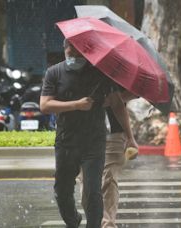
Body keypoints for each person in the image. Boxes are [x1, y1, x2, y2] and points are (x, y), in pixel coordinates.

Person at [40, 39, 135, 228]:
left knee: (93, 191)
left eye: (77, 52)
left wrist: (130, 137)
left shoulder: (100, 74)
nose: (73, 55)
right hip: (66, 140)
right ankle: (73, 220)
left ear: (86, 52)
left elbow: (117, 104)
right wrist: (76, 105)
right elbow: (45, 105)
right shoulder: (54, 72)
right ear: (64, 49)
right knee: (62, 190)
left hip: (94, 140)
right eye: (69, 50)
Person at [79, 90, 138, 228]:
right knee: (87, 181)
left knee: (108, 179)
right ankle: (96, 221)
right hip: (83, 133)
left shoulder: (115, 73)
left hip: (113, 134)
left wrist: (114, 97)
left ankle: (107, 224)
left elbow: (132, 94)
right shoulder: (72, 72)